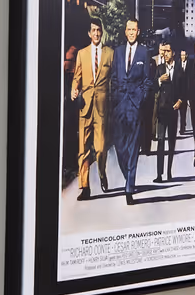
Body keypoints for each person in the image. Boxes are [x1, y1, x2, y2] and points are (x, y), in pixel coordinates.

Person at [68, 18, 112, 199]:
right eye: (93, 30)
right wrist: (73, 88)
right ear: (89, 33)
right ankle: (84, 187)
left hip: (101, 107)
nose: (96, 33)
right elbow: (76, 77)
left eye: (98, 30)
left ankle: (102, 173)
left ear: (102, 32)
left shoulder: (110, 53)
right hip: (85, 107)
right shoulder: (82, 54)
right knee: (83, 149)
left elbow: (114, 79)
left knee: (101, 148)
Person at [110, 19, 153, 203]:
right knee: (119, 145)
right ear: (125, 31)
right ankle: (127, 173)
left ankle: (129, 187)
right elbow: (113, 76)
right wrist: (115, 96)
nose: (131, 32)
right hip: (120, 103)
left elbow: (148, 80)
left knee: (134, 146)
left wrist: (141, 97)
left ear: (138, 31)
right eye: (128, 29)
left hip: (135, 104)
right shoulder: (118, 52)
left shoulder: (144, 52)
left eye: (134, 29)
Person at [153, 41, 184, 184]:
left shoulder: (179, 69)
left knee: (171, 142)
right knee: (160, 141)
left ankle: (169, 171)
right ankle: (159, 174)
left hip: (173, 110)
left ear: (174, 53)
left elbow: (185, 88)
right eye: (164, 51)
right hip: (162, 110)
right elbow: (152, 86)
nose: (165, 54)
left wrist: (181, 100)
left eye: (168, 51)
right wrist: (159, 80)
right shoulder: (159, 69)